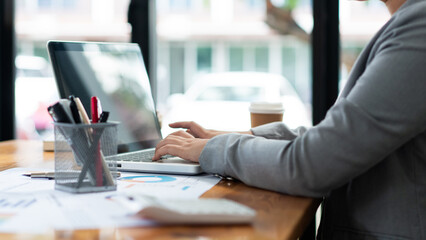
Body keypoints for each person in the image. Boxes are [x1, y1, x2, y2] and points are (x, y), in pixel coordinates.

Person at [153, 0, 426, 239]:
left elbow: (315, 162)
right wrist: (234, 137)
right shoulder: (407, 22)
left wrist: (215, 150)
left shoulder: (418, 26)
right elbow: (338, 140)